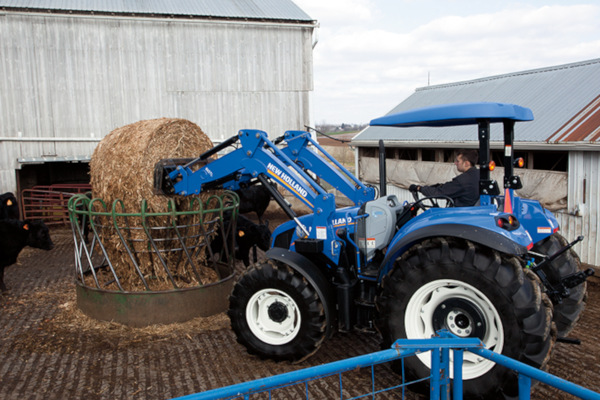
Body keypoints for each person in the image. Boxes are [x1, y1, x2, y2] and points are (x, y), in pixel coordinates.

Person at [409, 149, 479, 207]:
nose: (455, 163)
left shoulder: (463, 180)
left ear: (466, 163)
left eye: (458, 161)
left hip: (459, 215)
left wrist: (419, 188)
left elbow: (440, 192)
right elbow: (449, 187)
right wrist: (439, 186)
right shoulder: (478, 175)